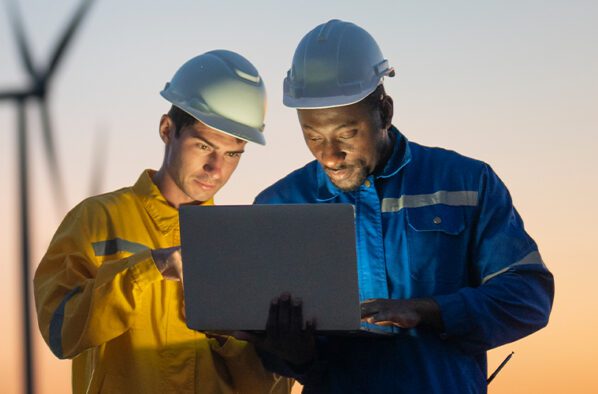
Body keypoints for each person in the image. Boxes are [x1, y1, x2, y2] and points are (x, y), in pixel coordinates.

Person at [251, 20, 554, 393]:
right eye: (313, 136)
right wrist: (290, 353)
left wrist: (429, 310)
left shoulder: (466, 183)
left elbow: (528, 297)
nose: (329, 155)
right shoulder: (279, 206)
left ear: (385, 111)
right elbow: (269, 350)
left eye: (347, 134)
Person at [34, 50, 292, 394]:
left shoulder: (242, 245)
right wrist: (150, 268)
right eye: (204, 146)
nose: (216, 168)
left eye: (232, 154)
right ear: (167, 129)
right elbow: (60, 333)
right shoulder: (96, 220)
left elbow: (267, 387)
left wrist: (232, 337)